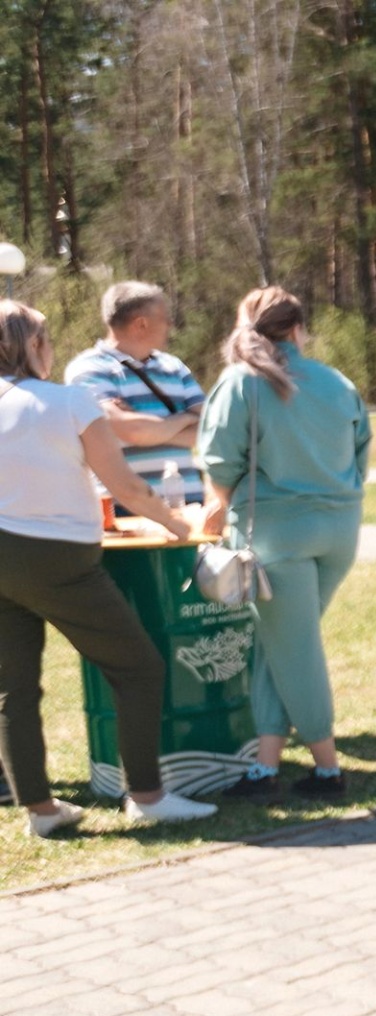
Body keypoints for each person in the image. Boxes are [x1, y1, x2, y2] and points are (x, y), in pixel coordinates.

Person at [0, 301, 217, 832]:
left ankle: (41, 810)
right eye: (46, 340)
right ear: (33, 346)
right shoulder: (70, 401)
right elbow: (126, 487)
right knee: (138, 669)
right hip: (60, 560)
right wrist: (181, 527)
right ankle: (146, 795)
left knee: (14, 690)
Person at [200, 288, 370, 800]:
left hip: (276, 535)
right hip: (339, 531)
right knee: (282, 644)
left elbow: (220, 463)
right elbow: (360, 455)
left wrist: (215, 507)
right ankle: (265, 766)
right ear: (298, 329)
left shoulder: (240, 383)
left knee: (295, 650)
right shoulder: (337, 381)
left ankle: (327, 770)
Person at [64, 282, 207, 507]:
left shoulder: (174, 366)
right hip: (123, 511)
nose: (170, 324)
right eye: (165, 318)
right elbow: (130, 430)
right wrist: (187, 419)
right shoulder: (88, 368)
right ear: (141, 324)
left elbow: (210, 431)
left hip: (188, 506)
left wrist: (150, 431)